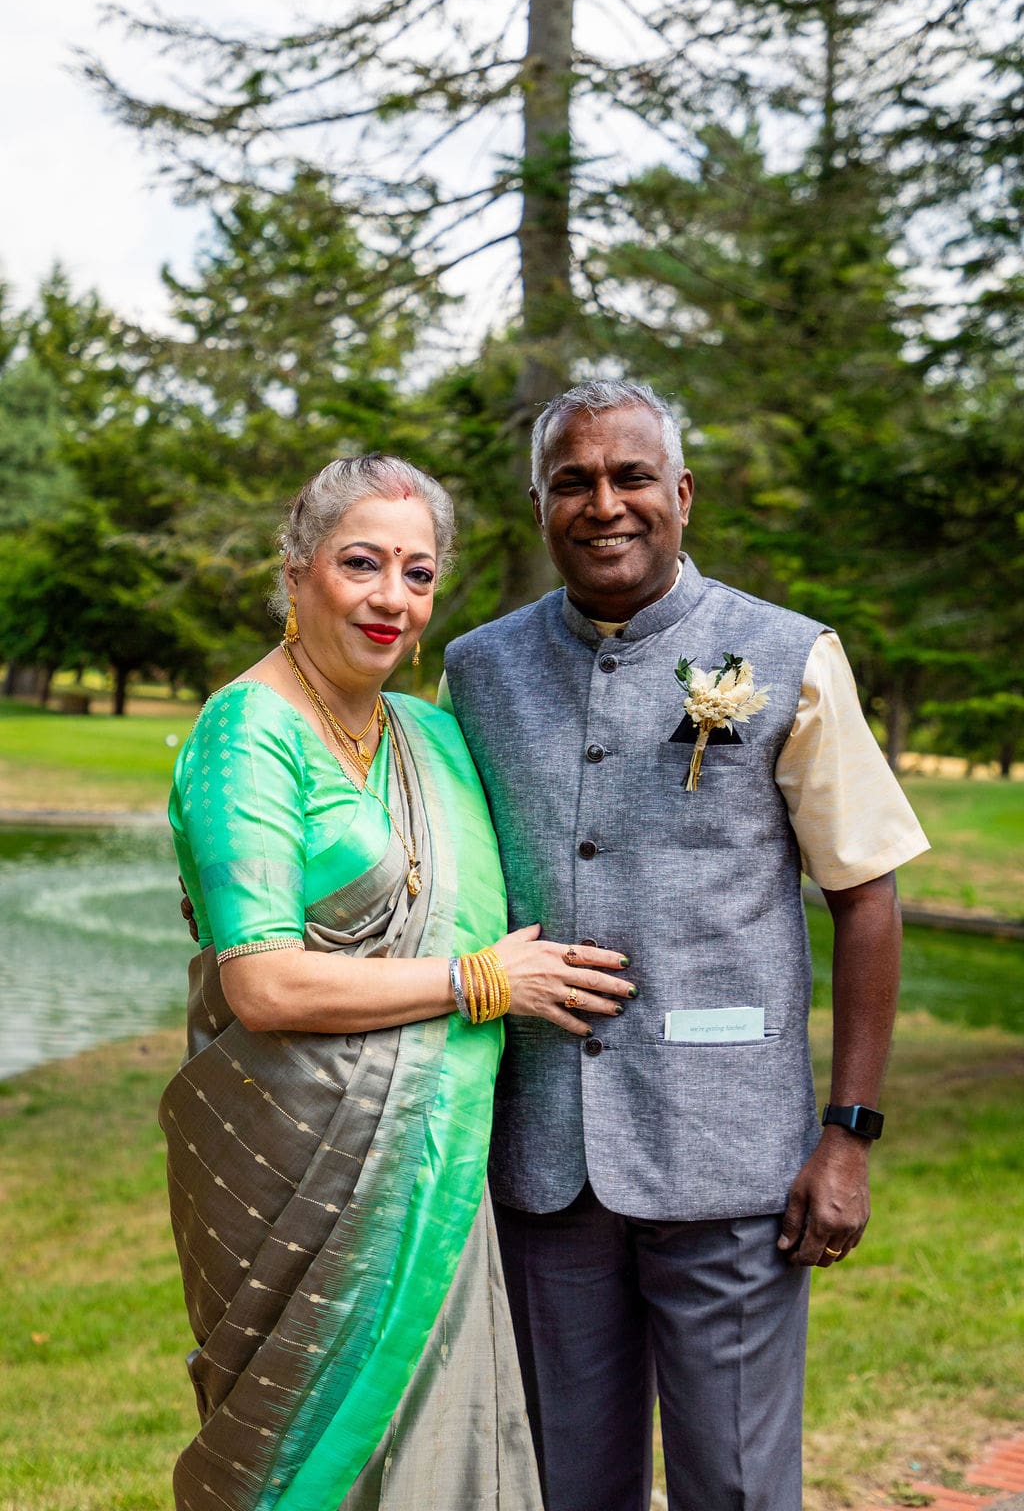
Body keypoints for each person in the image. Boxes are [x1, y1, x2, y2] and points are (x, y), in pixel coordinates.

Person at [441, 381, 930, 1511]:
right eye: (572, 482)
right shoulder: (477, 669)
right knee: (565, 1486)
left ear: (682, 493)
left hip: (733, 1161)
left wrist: (849, 1134)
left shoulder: (789, 654)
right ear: (538, 504)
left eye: (631, 477)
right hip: (542, 1162)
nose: (604, 504)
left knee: (739, 1487)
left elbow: (866, 896)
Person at [164, 452, 635, 1511]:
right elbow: (262, 986)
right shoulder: (247, 734)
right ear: (296, 571)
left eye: (417, 574)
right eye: (361, 564)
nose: (392, 598)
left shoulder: (428, 735)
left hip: (437, 1157)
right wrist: (479, 982)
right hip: (299, 1168)